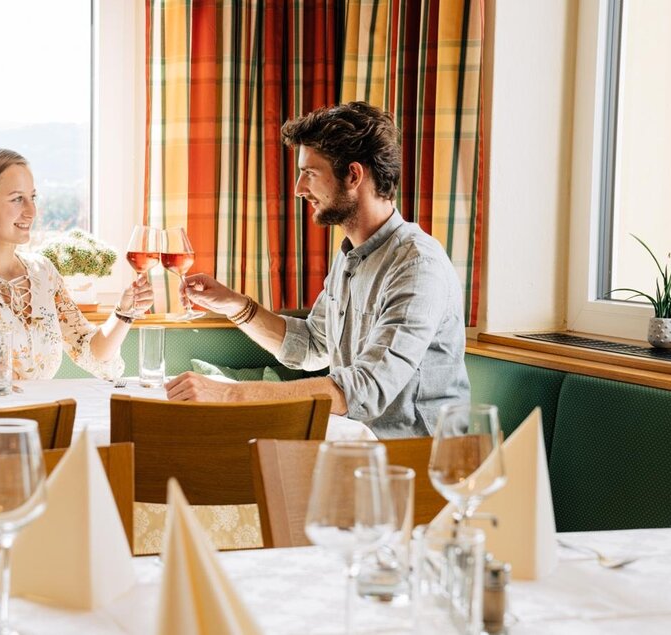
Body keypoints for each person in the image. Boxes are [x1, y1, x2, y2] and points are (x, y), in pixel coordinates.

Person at [165, 102, 469, 437]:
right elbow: (311, 346)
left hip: (417, 462)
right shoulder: (352, 256)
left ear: (353, 175)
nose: (298, 189)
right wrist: (236, 306)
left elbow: (366, 387)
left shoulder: (416, 265)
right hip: (355, 446)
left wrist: (230, 394)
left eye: (309, 173)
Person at [0, 148, 153, 382]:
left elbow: (90, 351)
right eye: (17, 199)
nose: (31, 211)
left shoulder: (43, 272)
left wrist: (124, 312)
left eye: (32, 197)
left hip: (41, 414)